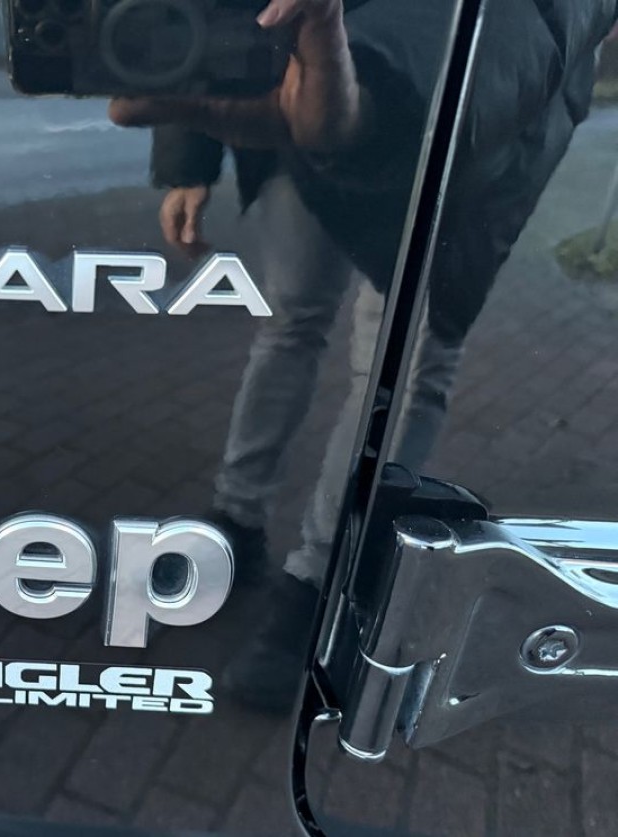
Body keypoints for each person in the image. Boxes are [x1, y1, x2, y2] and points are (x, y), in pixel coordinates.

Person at [113, 0, 618, 709]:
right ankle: (234, 523)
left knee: (404, 363)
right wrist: (188, 156)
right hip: (292, 98)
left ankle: (321, 583)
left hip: (468, 128)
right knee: (292, 323)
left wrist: (383, 89)